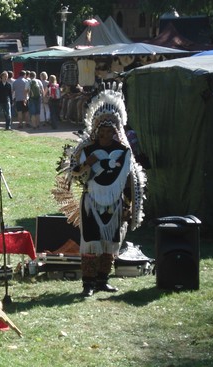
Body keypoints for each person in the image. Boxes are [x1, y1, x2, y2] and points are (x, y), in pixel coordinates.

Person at [55, 85, 146, 297]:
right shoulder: (87, 150)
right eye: (102, 132)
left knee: (111, 243)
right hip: (92, 202)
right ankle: (88, 284)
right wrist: (89, 164)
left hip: (115, 204)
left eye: (109, 132)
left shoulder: (123, 152)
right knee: (91, 241)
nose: (105, 136)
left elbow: (131, 180)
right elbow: (74, 172)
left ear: (116, 132)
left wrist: (130, 207)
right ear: (96, 131)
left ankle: (102, 281)